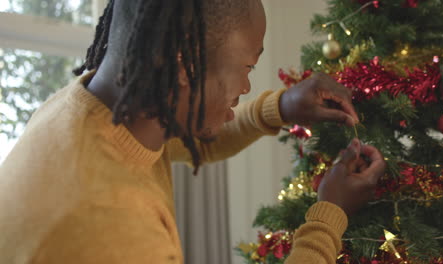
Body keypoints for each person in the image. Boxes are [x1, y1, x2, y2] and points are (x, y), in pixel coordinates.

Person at [0, 0, 386, 263]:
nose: (247, 87)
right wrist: (329, 215)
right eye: (247, 68)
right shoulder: (115, 228)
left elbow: (196, 137)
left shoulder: (88, 108)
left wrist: (281, 107)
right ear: (184, 65)